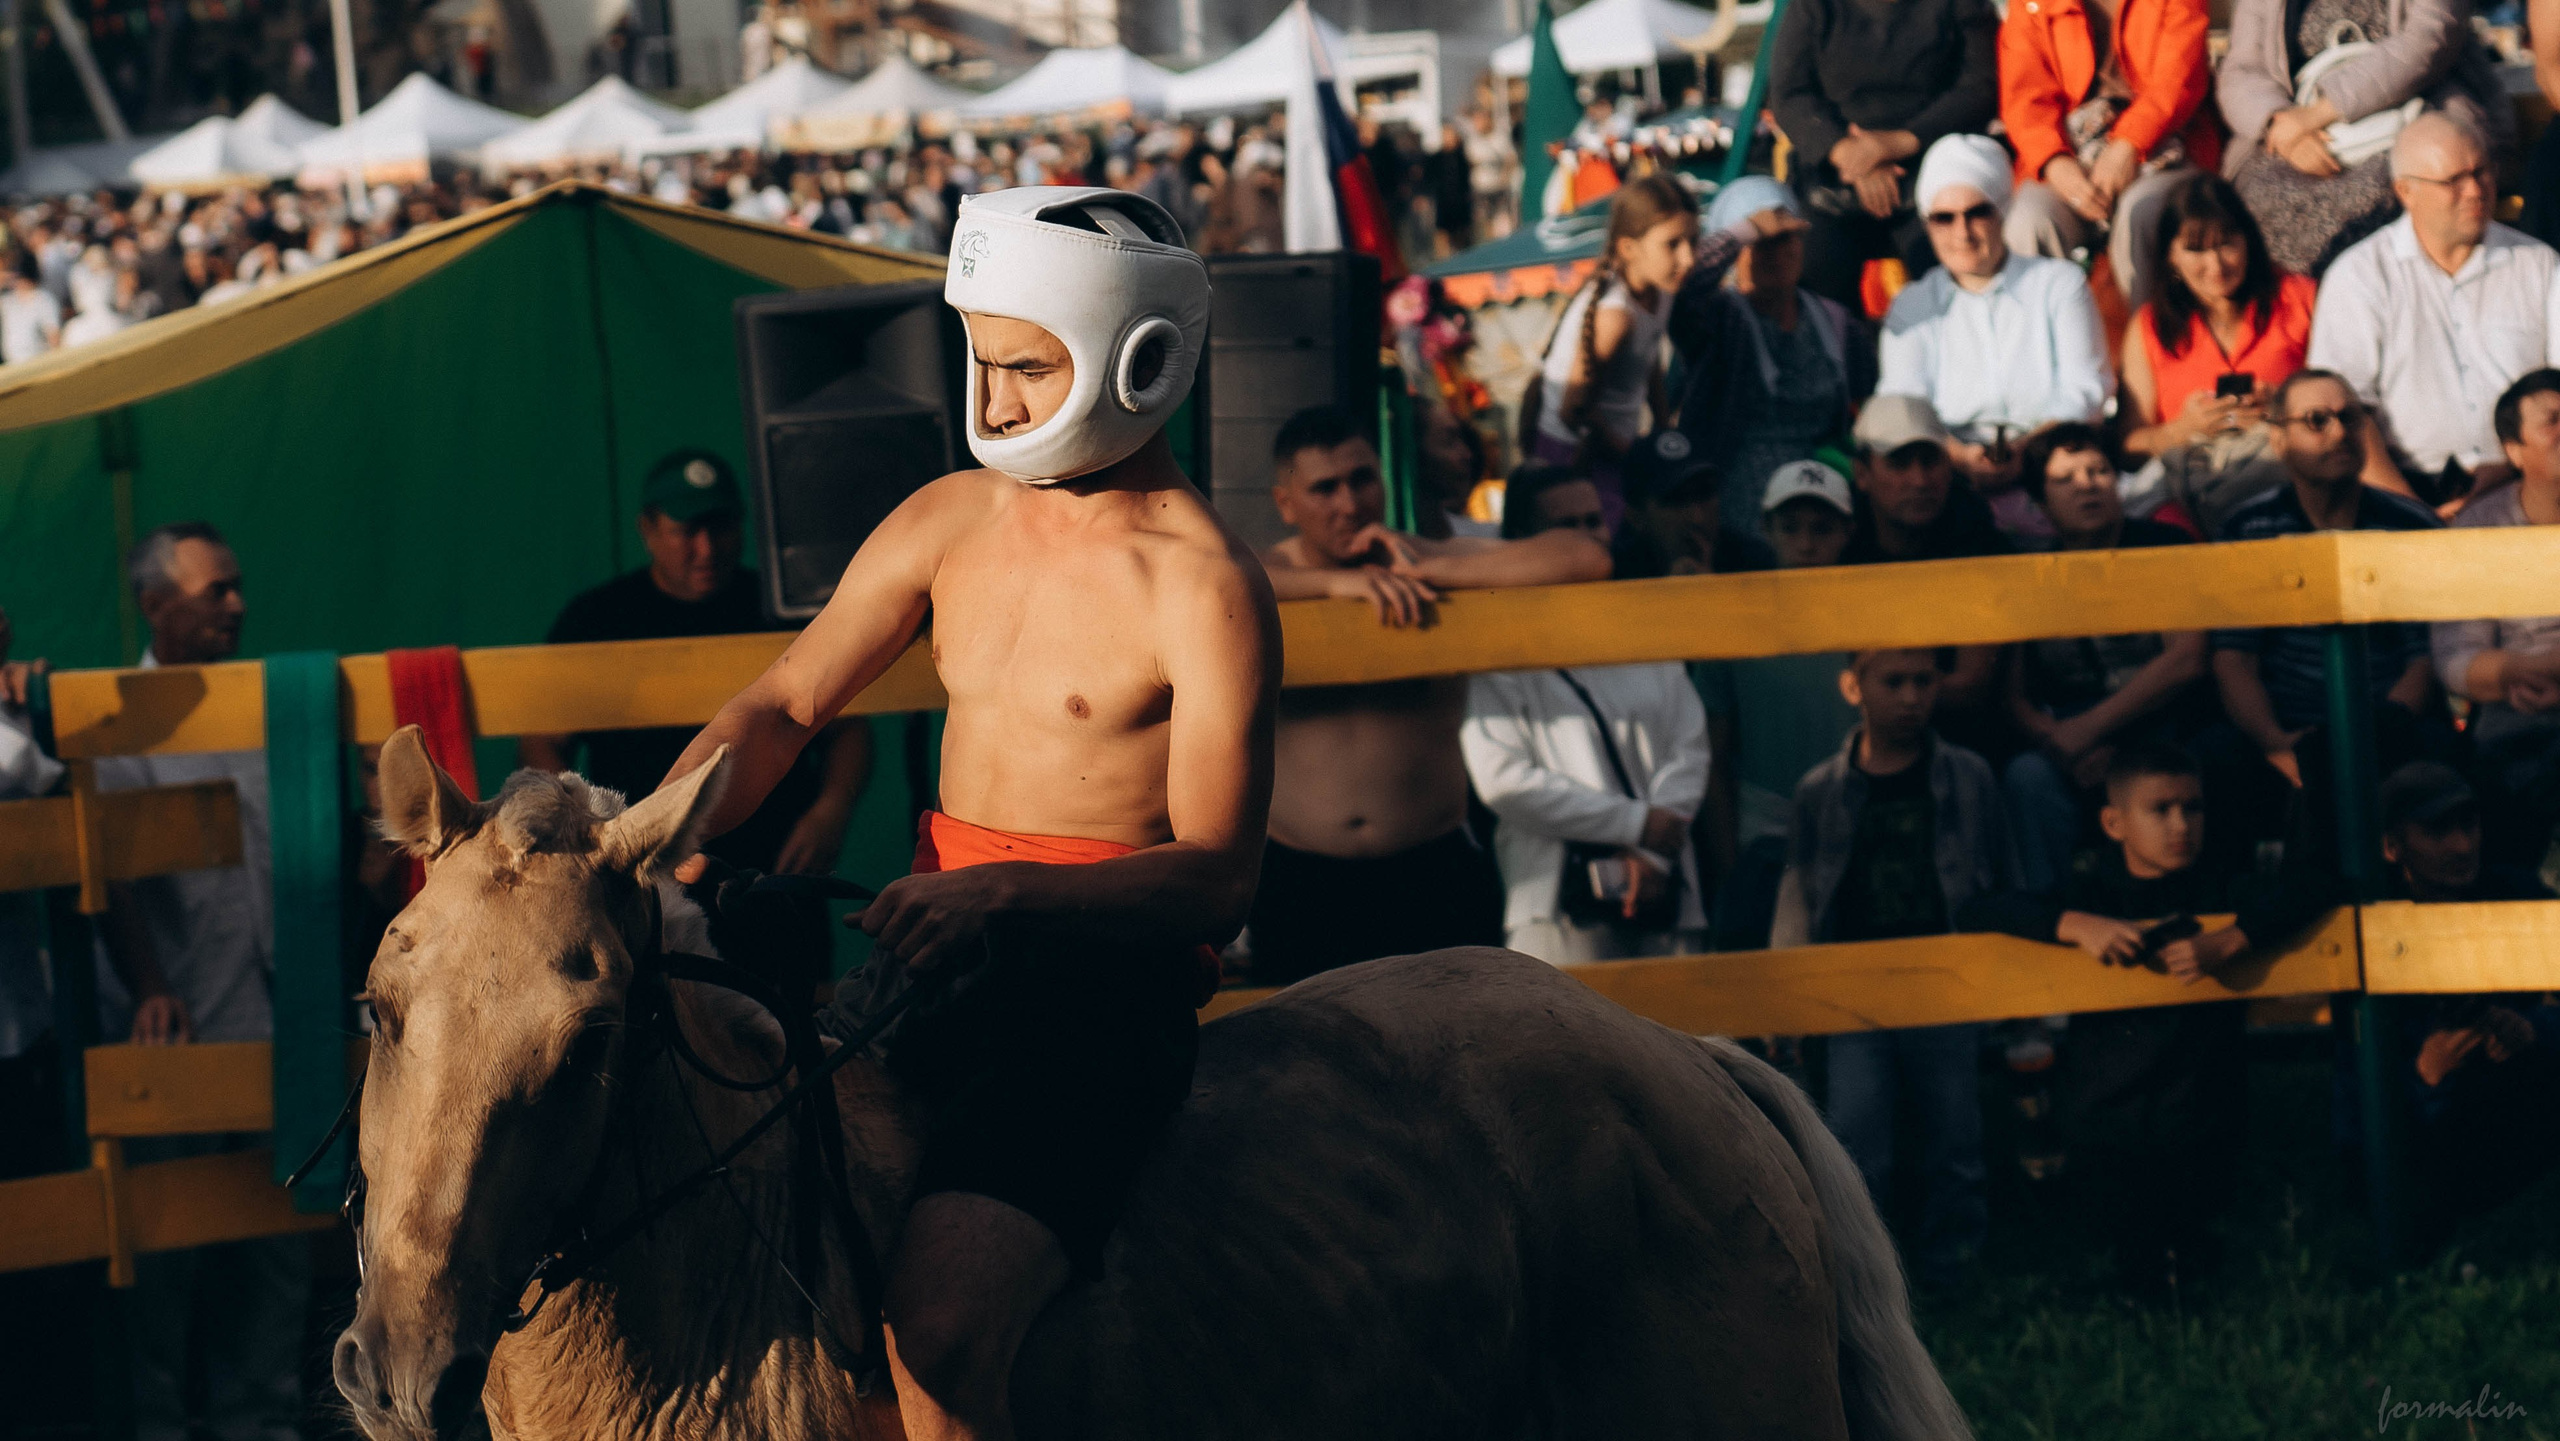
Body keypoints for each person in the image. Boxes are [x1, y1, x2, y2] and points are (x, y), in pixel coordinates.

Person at [659, 187, 1273, 1441]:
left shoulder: (1204, 584)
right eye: (979, 359)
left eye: (1025, 367)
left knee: (934, 1334)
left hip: (1096, 1004)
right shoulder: (947, 517)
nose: (989, 401)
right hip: (923, 967)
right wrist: (654, 836)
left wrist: (998, 889)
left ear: (1138, 359)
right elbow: (784, 702)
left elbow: (1218, 879)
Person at [1253, 403, 1611, 984]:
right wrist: (1337, 585)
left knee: (1458, 1065)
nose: (1349, 504)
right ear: (1286, 503)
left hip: (1433, 869)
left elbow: (1586, 557)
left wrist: (1436, 574)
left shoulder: (1427, 554)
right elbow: (1203, 572)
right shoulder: (1259, 576)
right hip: (1304, 881)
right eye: (1325, 488)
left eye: (1362, 479)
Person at [92, 523, 309, 1441]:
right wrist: (148, 981)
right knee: (166, 1254)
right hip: (175, 1027)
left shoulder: (267, 706)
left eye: (237, 586)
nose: (237, 604)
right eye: (215, 590)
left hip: (269, 1011)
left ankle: (258, 1419)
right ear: (156, 605)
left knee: (274, 1243)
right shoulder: (121, 718)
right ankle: (160, 1425)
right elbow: (111, 876)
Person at [522, 449, 872, 984]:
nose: (706, 549)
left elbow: (850, 729)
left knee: (789, 1031)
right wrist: (585, 838)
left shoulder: (781, 610)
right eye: (686, 530)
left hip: (772, 882)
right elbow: (544, 742)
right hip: (643, 888)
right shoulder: (597, 620)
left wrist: (831, 808)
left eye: (722, 527)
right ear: (647, 530)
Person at [1965, 745, 2272, 1294]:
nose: (2181, 825)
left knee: (2198, 1257)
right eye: (2161, 810)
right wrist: (2075, 924)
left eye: (2193, 807)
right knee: (2122, 1255)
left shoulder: (2221, 886)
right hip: (2108, 1118)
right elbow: (1981, 908)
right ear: (2113, 822)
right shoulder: (2093, 891)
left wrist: (2232, 939)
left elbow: (2318, 887)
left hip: (2202, 1116)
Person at [1772, 647, 2014, 1289]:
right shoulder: (1820, 789)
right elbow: (1799, 891)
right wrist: (1788, 993)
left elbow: (2002, 877)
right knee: (1858, 1136)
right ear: (1854, 687)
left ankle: (1954, 1267)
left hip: (1945, 980)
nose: (1911, 697)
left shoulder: (1967, 776)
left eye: (1925, 681)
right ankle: (1864, 1278)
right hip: (1853, 990)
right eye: (1894, 681)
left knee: (1955, 1137)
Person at [2205, 369, 2444, 873]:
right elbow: (2234, 661)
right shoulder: (2246, 529)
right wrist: (2275, 743)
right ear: (2278, 439)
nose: (2338, 433)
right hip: (2282, 726)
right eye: (2317, 421)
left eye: (2350, 419)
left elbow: (2423, 659)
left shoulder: (2410, 525)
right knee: (2214, 759)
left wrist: (2365, 741)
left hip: (2388, 722)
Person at [2307, 114, 2560, 505]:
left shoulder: (2540, 265)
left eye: (2481, 172)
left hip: (2526, 484)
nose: (2475, 190)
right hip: (2400, 490)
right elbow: (2343, 413)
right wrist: (2411, 513)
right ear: (2405, 192)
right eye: (2453, 181)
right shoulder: (2359, 277)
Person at [2002, 424, 2210, 892]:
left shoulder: (2165, 547)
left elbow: (2187, 659)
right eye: (2066, 479)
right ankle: (2054, 917)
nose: (2088, 485)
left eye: (2098, 471)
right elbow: (2014, 698)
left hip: (2164, 726)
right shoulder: (2028, 575)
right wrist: (2063, 743)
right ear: (2039, 502)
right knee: (2027, 777)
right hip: (2070, 736)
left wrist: (2089, 731)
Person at [1877, 134, 2113, 538]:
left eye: (1977, 213)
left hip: (2049, 466)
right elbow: (1904, 409)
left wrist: (2024, 452)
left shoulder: (2058, 283)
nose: (1962, 232)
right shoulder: (1912, 306)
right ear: (1927, 223)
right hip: (1948, 476)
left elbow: (2086, 392)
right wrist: (1961, 458)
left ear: (2003, 212)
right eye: (1944, 218)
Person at [2366, 762, 2560, 1239]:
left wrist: (2534, 1027)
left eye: (2469, 825)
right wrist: (2424, 1076)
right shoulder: (2375, 922)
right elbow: (2358, 1080)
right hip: (2426, 1131)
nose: (2462, 845)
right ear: (2392, 846)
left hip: (2518, 1106)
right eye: (2437, 830)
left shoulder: (2515, 896)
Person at [1695, 458, 1864, 951]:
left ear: (1847, 532)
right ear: (1766, 528)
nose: (1806, 544)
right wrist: (1729, 862)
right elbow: (1715, 754)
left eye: (1822, 528)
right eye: (1790, 528)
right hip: (1765, 823)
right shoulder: (1735, 622)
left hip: (1853, 809)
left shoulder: (1871, 612)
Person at [2218, 0, 2509, 278]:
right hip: (2295, 133)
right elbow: (2241, 70)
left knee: (2391, 190)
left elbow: (2430, 39)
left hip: (2413, 116)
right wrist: (2278, 127)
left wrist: (2321, 112)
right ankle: (2302, 318)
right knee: (2257, 198)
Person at [1460, 651, 1710, 963]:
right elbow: (1503, 782)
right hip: (1558, 909)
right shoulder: (1499, 665)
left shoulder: (1649, 646)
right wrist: (1638, 826)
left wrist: (1651, 854)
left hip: (1664, 896)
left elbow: (1691, 754)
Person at [1669, 175, 1876, 527]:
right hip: (1743, 506)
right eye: (1761, 243)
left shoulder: (1835, 321)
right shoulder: (1718, 319)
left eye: (1785, 238)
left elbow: (1872, 401)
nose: (1776, 253)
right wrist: (1745, 229)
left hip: (1825, 497)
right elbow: (1684, 288)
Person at [2117, 173, 2317, 533]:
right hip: (2190, 482)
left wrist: (2284, 409)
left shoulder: (2299, 297)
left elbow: (2342, 404)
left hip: (2282, 472)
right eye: (2196, 250)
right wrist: (2184, 429)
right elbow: (2128, 445)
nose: (2216, 265)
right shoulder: (2150, 327)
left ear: (2248, 241)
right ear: (2171, 256)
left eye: (2226, 244)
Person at [1767, 0, 2000, 308]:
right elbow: (1789, 94)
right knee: (1814, 282)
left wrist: (1896, 144)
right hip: (1833, 177)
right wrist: (1846, 152)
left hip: (1933, 167)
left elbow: (1980, 87)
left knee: (1955, 277)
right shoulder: (1812, 6)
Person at [1997, 0, 2217, 309]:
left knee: (2140, 214)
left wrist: (2129, 143)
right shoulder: (2029, 5)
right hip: (2069, 149)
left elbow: (2179, 78)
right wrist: (2054, 162)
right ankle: (2053, 347)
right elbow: (2024, 97)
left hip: (2166, 144)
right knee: (2030, 221)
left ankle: (2143, 346)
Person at [2431, 368, 2560, 865]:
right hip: (2516, 725)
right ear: (2514, 450)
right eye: (2553, 421)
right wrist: (2519, 672)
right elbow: (2455, 659)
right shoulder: (2479, 529)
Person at [1525, 176, 1708, 521]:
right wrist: (1631, 452)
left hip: (1610, 448)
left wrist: (1662, 424)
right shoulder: (1614, 315)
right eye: (1672, 244)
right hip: (1573, 454)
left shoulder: (1661, 288)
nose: (1689, 258)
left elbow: (1648, 354)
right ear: (1628, 248)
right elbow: (1573, 411)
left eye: (1693, 241)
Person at [1608, 428, 1780, 579]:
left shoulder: (1753, 563)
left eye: (1705, 494)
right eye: (1675, 501)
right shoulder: (1614, 572)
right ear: (1636, 517)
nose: (1696, 518)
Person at [0, 266, 60, 364]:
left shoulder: (43, 299)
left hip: (37, 361)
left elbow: (54, 335)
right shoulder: (8, 301)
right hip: (12, 363)